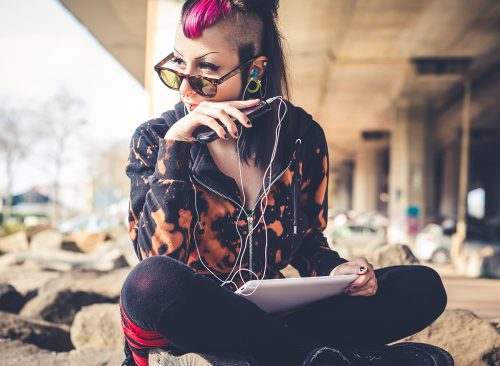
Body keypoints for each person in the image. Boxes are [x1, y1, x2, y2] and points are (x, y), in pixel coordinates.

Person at [120, 1, 452, 365]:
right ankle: (325, 357)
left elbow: (308, 241)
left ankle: (300, 355)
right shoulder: (157, 138)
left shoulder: (299, 137)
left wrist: (335, 271)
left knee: (421, 287)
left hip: (271, 317)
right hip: (193, 320)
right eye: (178, 65)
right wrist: (178, 144)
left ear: (255, 71)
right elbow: (158, 259)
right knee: (151, 283)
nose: (185, 88)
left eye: (207, 70)